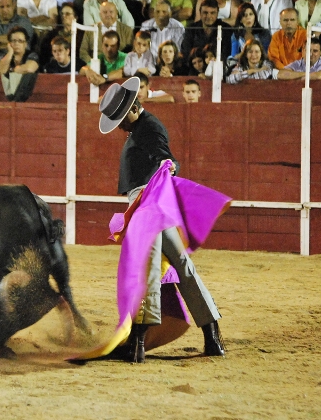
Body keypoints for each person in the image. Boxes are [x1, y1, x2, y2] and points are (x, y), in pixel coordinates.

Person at [97, 76, 226, 362]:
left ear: (132, 108)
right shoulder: (141, 129)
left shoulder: (150, 127)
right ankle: (212, 335)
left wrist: (165, 176)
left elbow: (167, 161)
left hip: (148, 204)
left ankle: (138, 345)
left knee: (148, 269)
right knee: (181, 265)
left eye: (120, 119)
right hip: (152, 204)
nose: (119, 125)